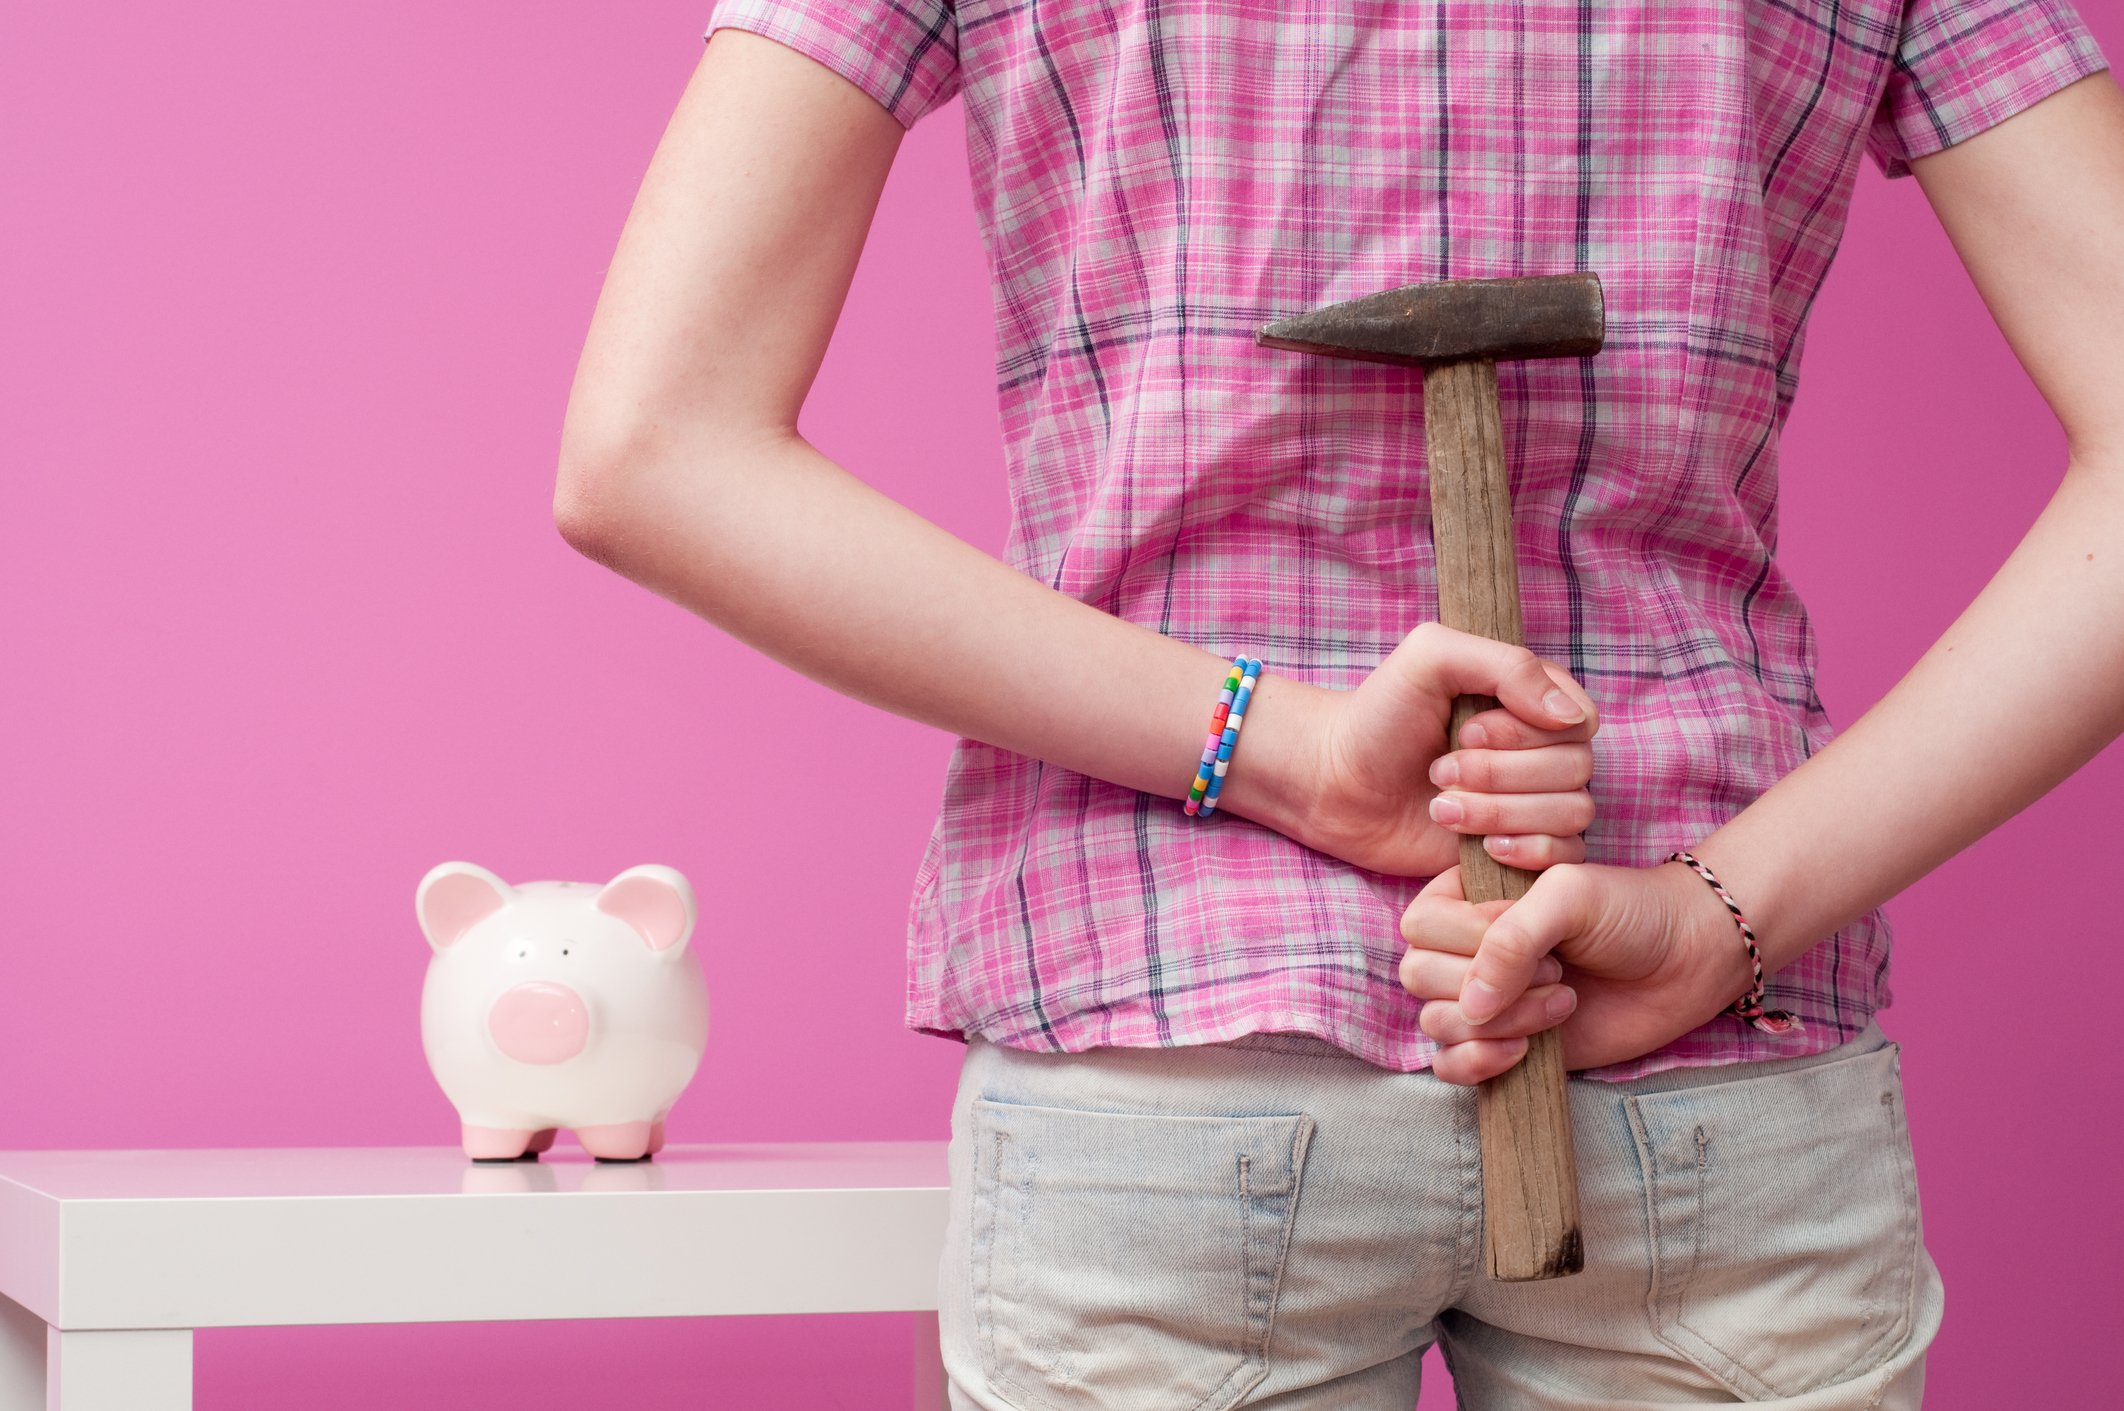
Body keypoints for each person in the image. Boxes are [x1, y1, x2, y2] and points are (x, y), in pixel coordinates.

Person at [551, 0, 2122, 1403]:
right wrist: (1720, 914)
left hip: (1169, 1037)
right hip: (1709, 1059)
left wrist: (1283, 753)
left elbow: (651, 450)